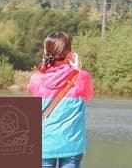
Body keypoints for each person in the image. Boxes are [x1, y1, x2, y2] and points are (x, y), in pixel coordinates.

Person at [27, 31, 95, 168]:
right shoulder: (82, 77)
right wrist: (77, 70)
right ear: (70, 52)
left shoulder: (37, 78)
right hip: (72, 146)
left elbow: (32, 90)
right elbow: (89, 95)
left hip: (44, 145)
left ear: (46, 51)